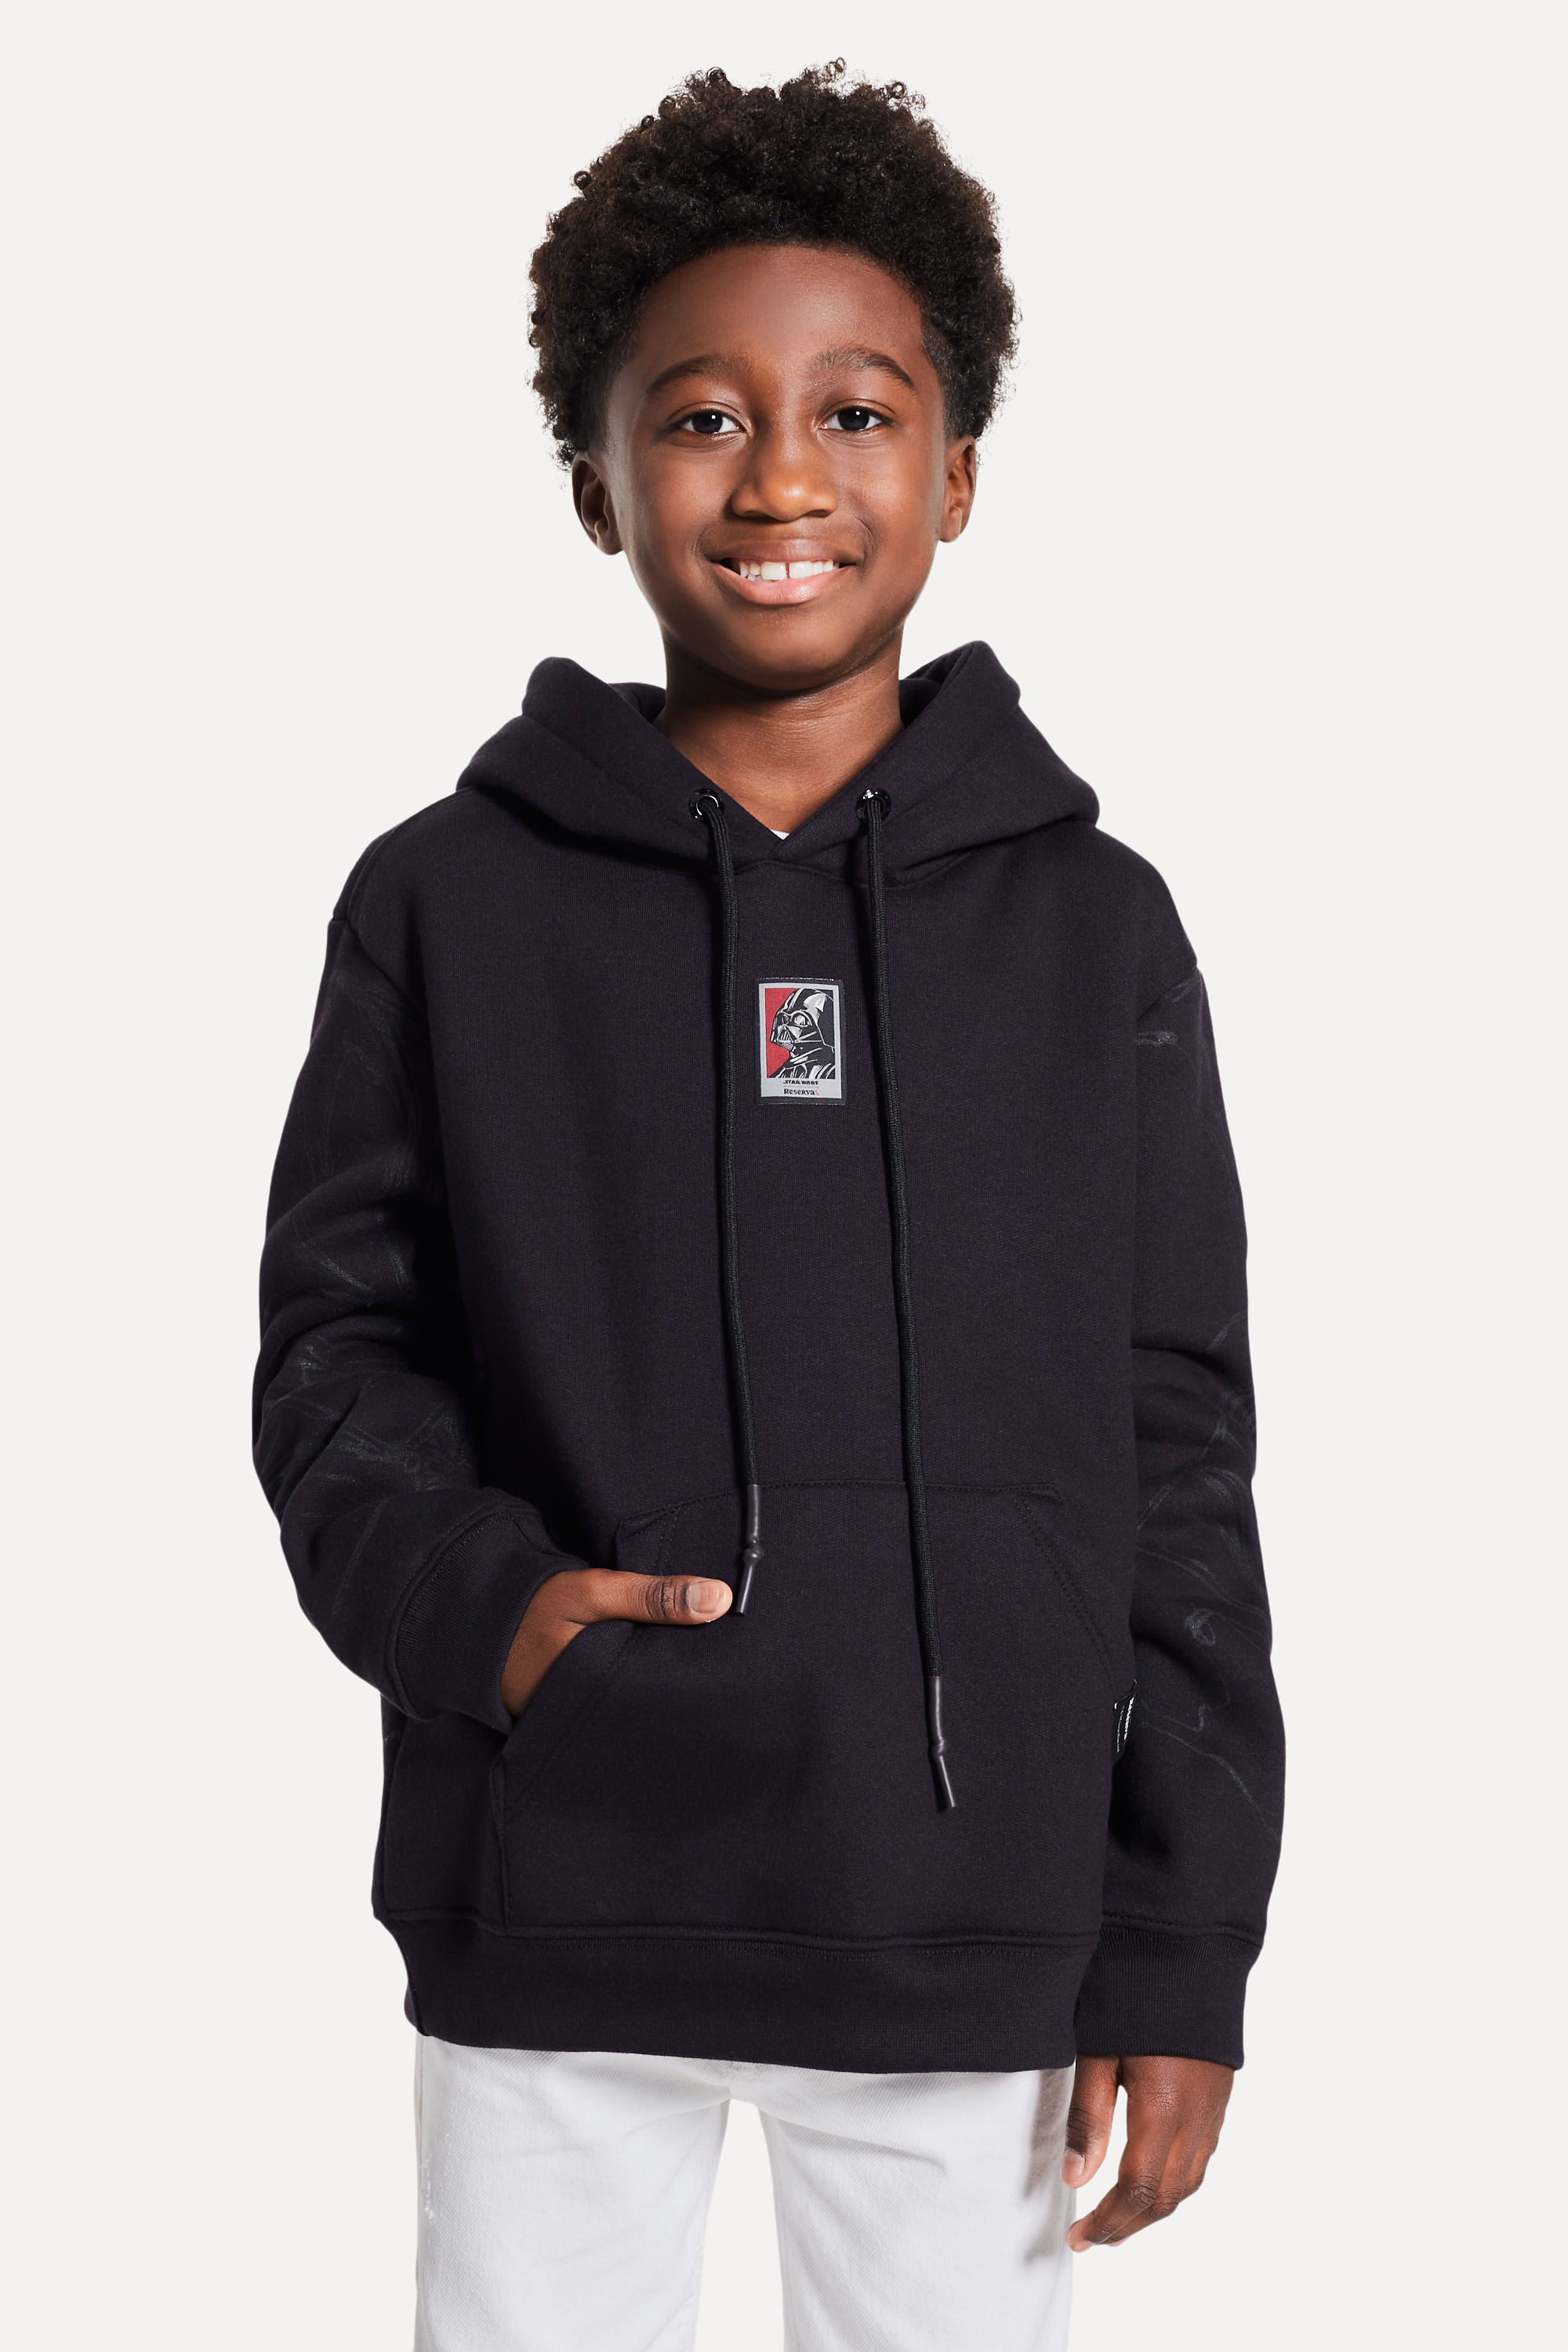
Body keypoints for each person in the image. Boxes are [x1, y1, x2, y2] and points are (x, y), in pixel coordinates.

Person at [254, 61, 1285, 2352]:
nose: (786, 476)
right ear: (597, 479)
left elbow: (1177, 1440)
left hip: (968, 1923)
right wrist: (497, 1620)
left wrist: (1183, 1933)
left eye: (857, 413)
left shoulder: (1095, 928)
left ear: (959, 470)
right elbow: (337, 1357)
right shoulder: (446, 903)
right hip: (559, 1894)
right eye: (705, 416)